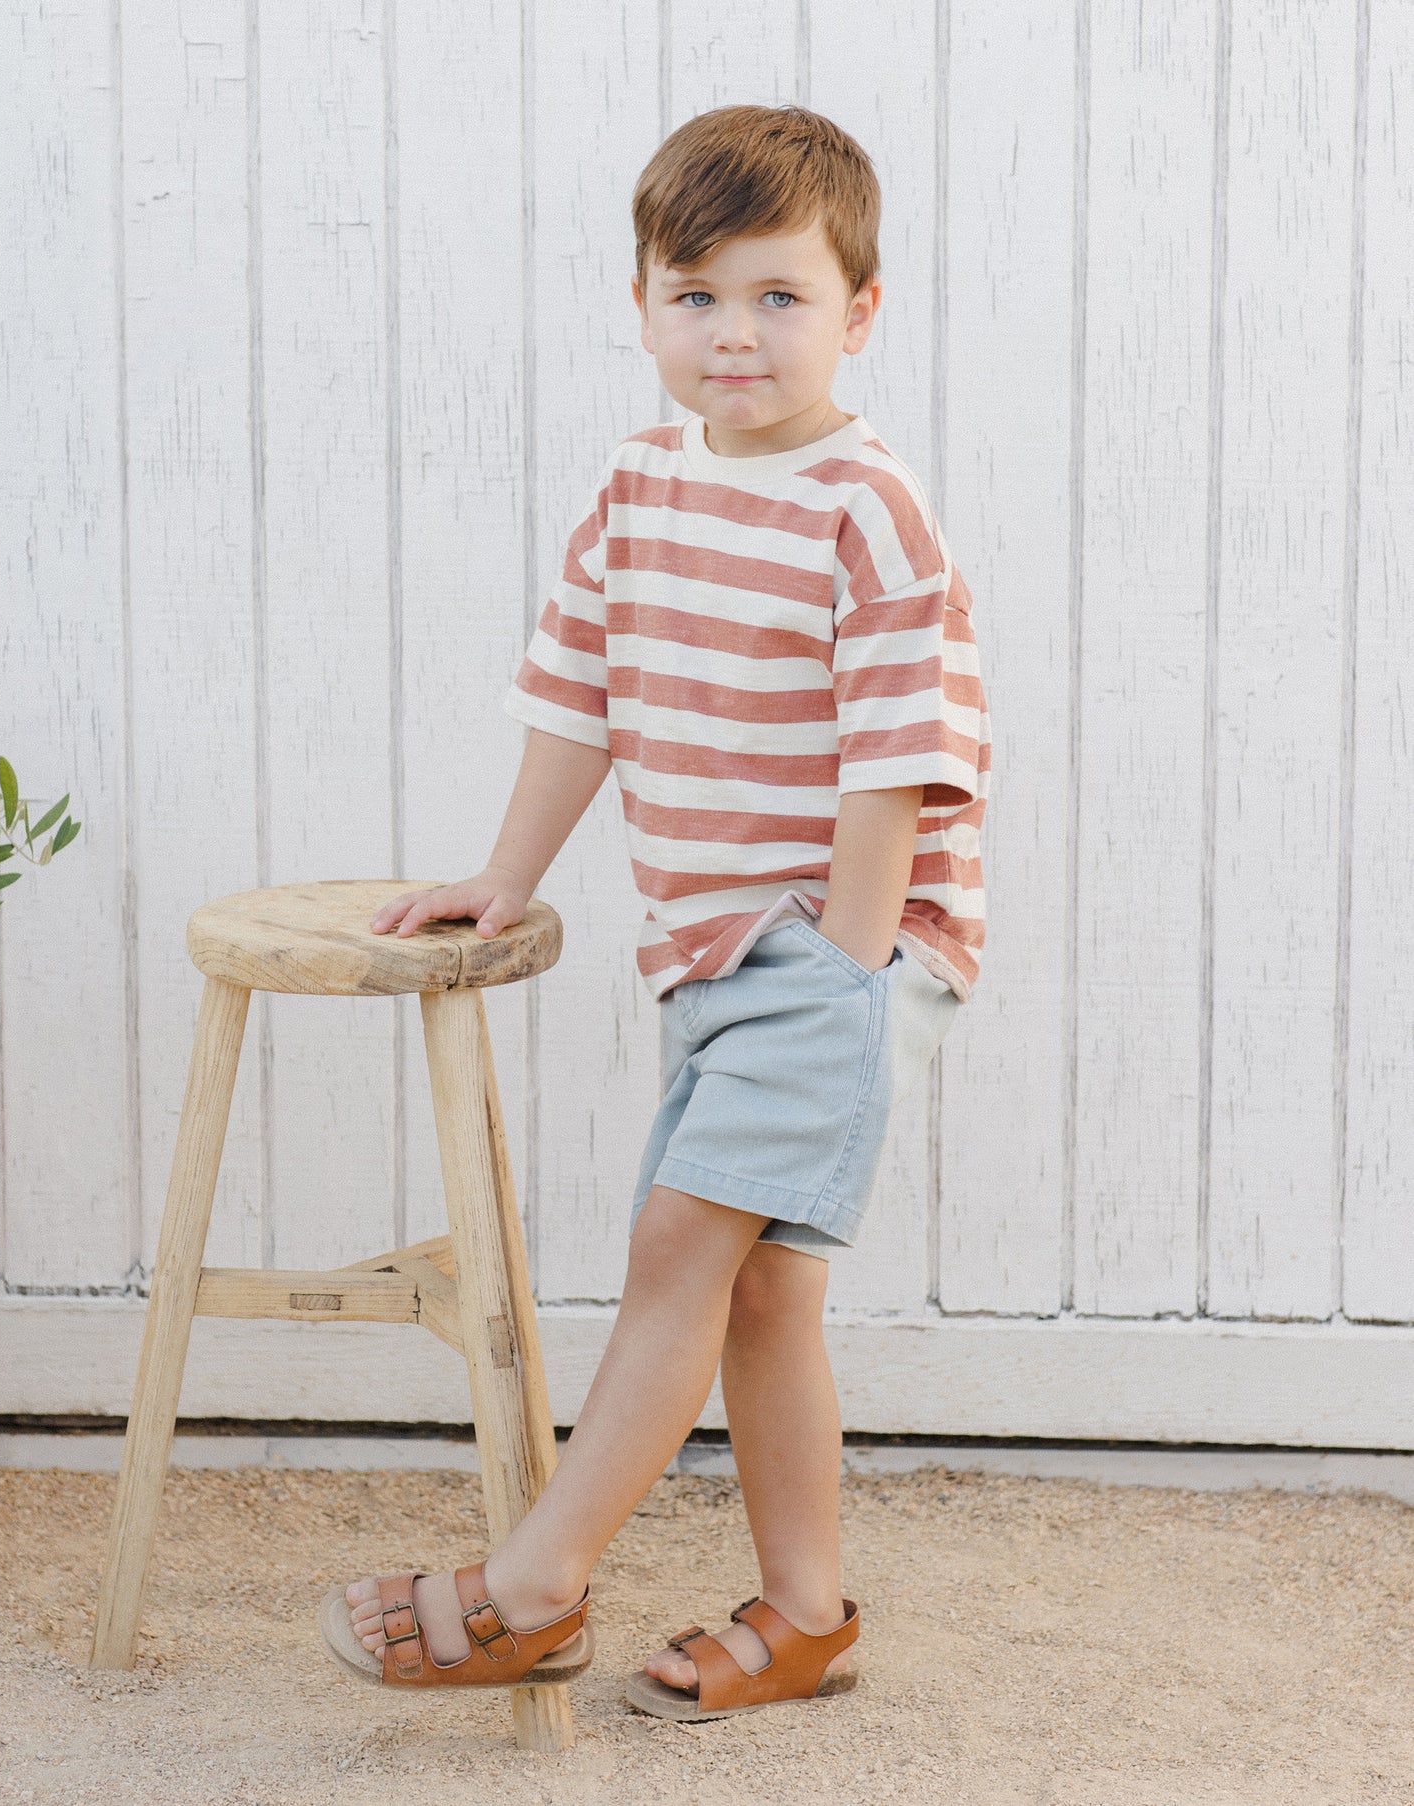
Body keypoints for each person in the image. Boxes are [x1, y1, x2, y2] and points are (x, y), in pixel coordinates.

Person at [318, 103, 991, 1722]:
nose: (733, 333)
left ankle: (531, 1582)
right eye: (695, 295)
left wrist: (841, 968)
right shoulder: (637, 485)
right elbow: (581, 696)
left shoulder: (866, 507)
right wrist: (508, 873)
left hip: (835, 942)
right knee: (761, 1286)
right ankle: (806, 1611)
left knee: (679, 1245)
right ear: (641, 307)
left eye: (778, 297)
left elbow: (898, 762)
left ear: (857, 314)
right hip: (711, 948)